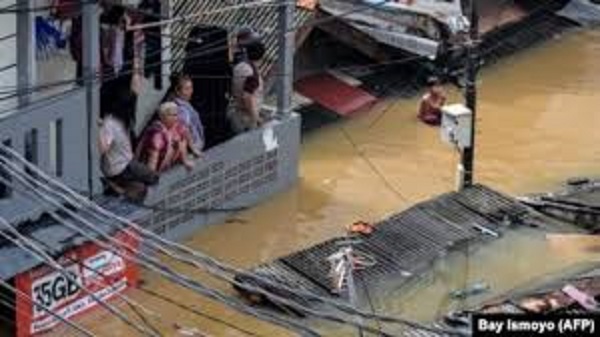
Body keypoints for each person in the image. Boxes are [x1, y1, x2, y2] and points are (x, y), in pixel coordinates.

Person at [98, 107, 158, 200]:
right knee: (152, 178)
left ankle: (119, 187)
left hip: (127, 161)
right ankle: (114, 186)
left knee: (142, 188)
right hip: (121, 166)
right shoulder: (109, 124)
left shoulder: (120, 123)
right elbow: (102, 148)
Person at [136, 102, 195, 173]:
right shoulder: (157, 135)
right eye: (172, 115)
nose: (176, 117)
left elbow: (184, 140)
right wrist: (151, 176)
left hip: (169, 166)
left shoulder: (177, 126)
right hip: (153, 169)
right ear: (163, 117)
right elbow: (152, 162)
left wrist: (186, 160)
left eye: (176, 114)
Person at [228, 41, 267, 134]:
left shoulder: (238, 66)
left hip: (237, 115)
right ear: (262, 56)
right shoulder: (252, 74)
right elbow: (247, 96)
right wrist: (256, 118)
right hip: (247, 120)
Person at [169, 75, 204, 156]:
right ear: (177, 91)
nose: (190, 91)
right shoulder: (181, 109)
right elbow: (185, 129)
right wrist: (193, 149)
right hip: (191, 150)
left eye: (191, 88)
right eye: (187, 89)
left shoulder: (180, 103)